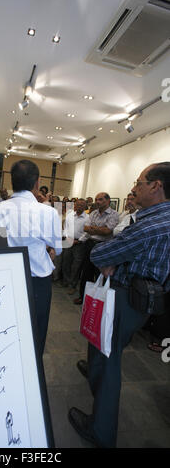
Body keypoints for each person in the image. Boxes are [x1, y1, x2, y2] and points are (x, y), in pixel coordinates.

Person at [68, 162, 170, 448]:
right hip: (148, 300)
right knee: (104, 349)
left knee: (109, 359)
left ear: (156, 186)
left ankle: (101, 429)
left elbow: (100, 253)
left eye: (139, 182)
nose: (134, 188)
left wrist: (113, 259)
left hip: (126, 298)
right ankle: (95, 370)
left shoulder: (150, 224)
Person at [0, 160, 62, 355]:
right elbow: (58, 248)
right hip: (37, 280)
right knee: (36, 330)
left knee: (7, 327)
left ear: (12, 181)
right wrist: (50, 249)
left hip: (6, 277)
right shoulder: (48, 212)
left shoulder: (0, 208)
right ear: (37, 182)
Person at [73, 192, 119, 304]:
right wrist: (99, 228)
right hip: (89, 244)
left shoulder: (114, 214)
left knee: (100, 274)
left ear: (108, 201)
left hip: (103, 246)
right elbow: (85, 228)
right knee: (86, 273)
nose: (98, 202)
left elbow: (108, 231)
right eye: (96, 199)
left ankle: (98, 300)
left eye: (101, 199)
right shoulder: (93, 213)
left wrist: (93, 228)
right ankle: (83, 297)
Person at [62, 199, 89, 293]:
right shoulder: (70, 215)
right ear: (75, 205)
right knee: (66, 262)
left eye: (82, 205)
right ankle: (66, 280)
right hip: (68, 241)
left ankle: (73, 285)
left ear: (85, 206)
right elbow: (65, 228)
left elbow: (87, 233)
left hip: (79, 244)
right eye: (78, 204)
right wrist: (66, 237)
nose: (79, 206)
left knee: (76, 265)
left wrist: (79, 240)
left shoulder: (87, 218)